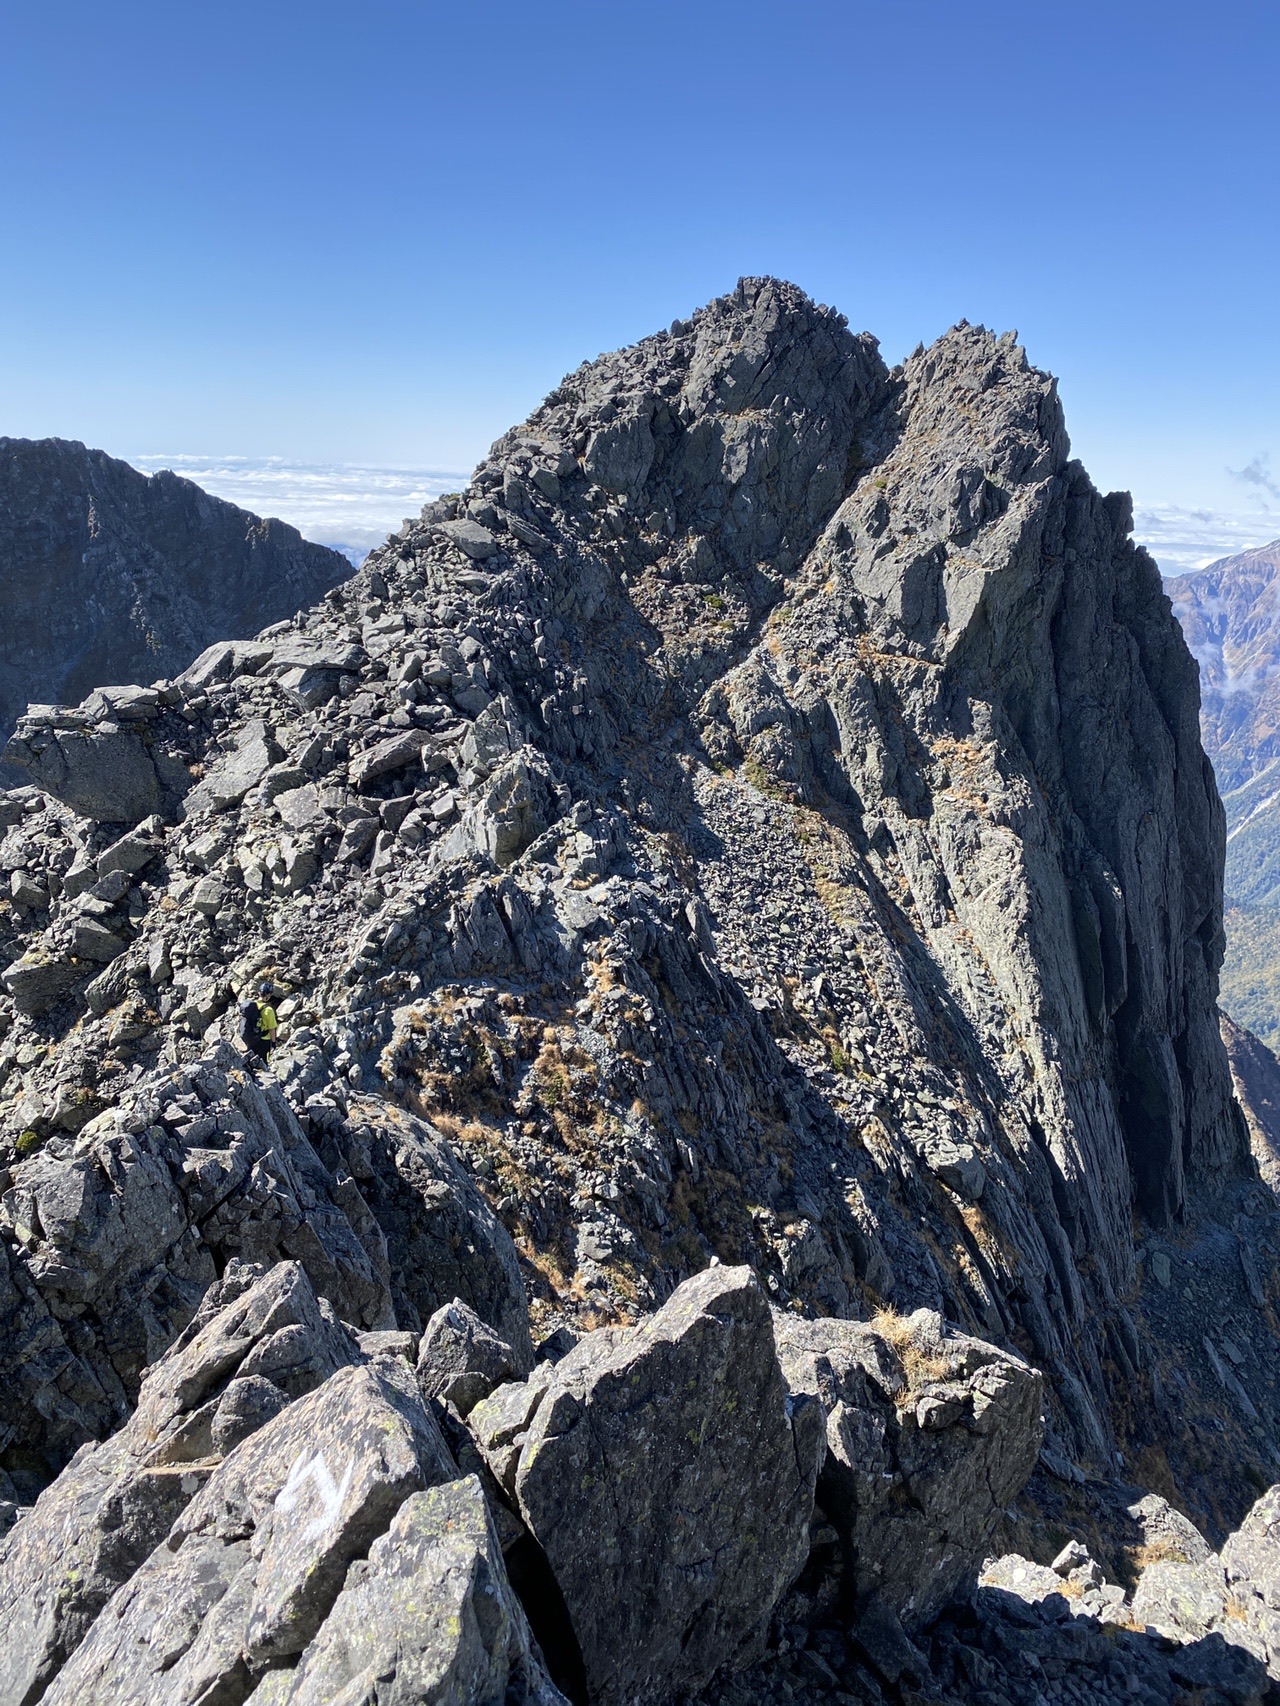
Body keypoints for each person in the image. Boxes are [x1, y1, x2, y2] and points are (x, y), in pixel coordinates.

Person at [239, 980, 278, 1066]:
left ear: (259, 993)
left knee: (251, 1061)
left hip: (251, 1038)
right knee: (262, 1063)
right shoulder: (268, 1010)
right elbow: (272, 1029)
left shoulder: (251, 1005)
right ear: (268, 995)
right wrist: (274, 1043)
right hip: (264, 1040)